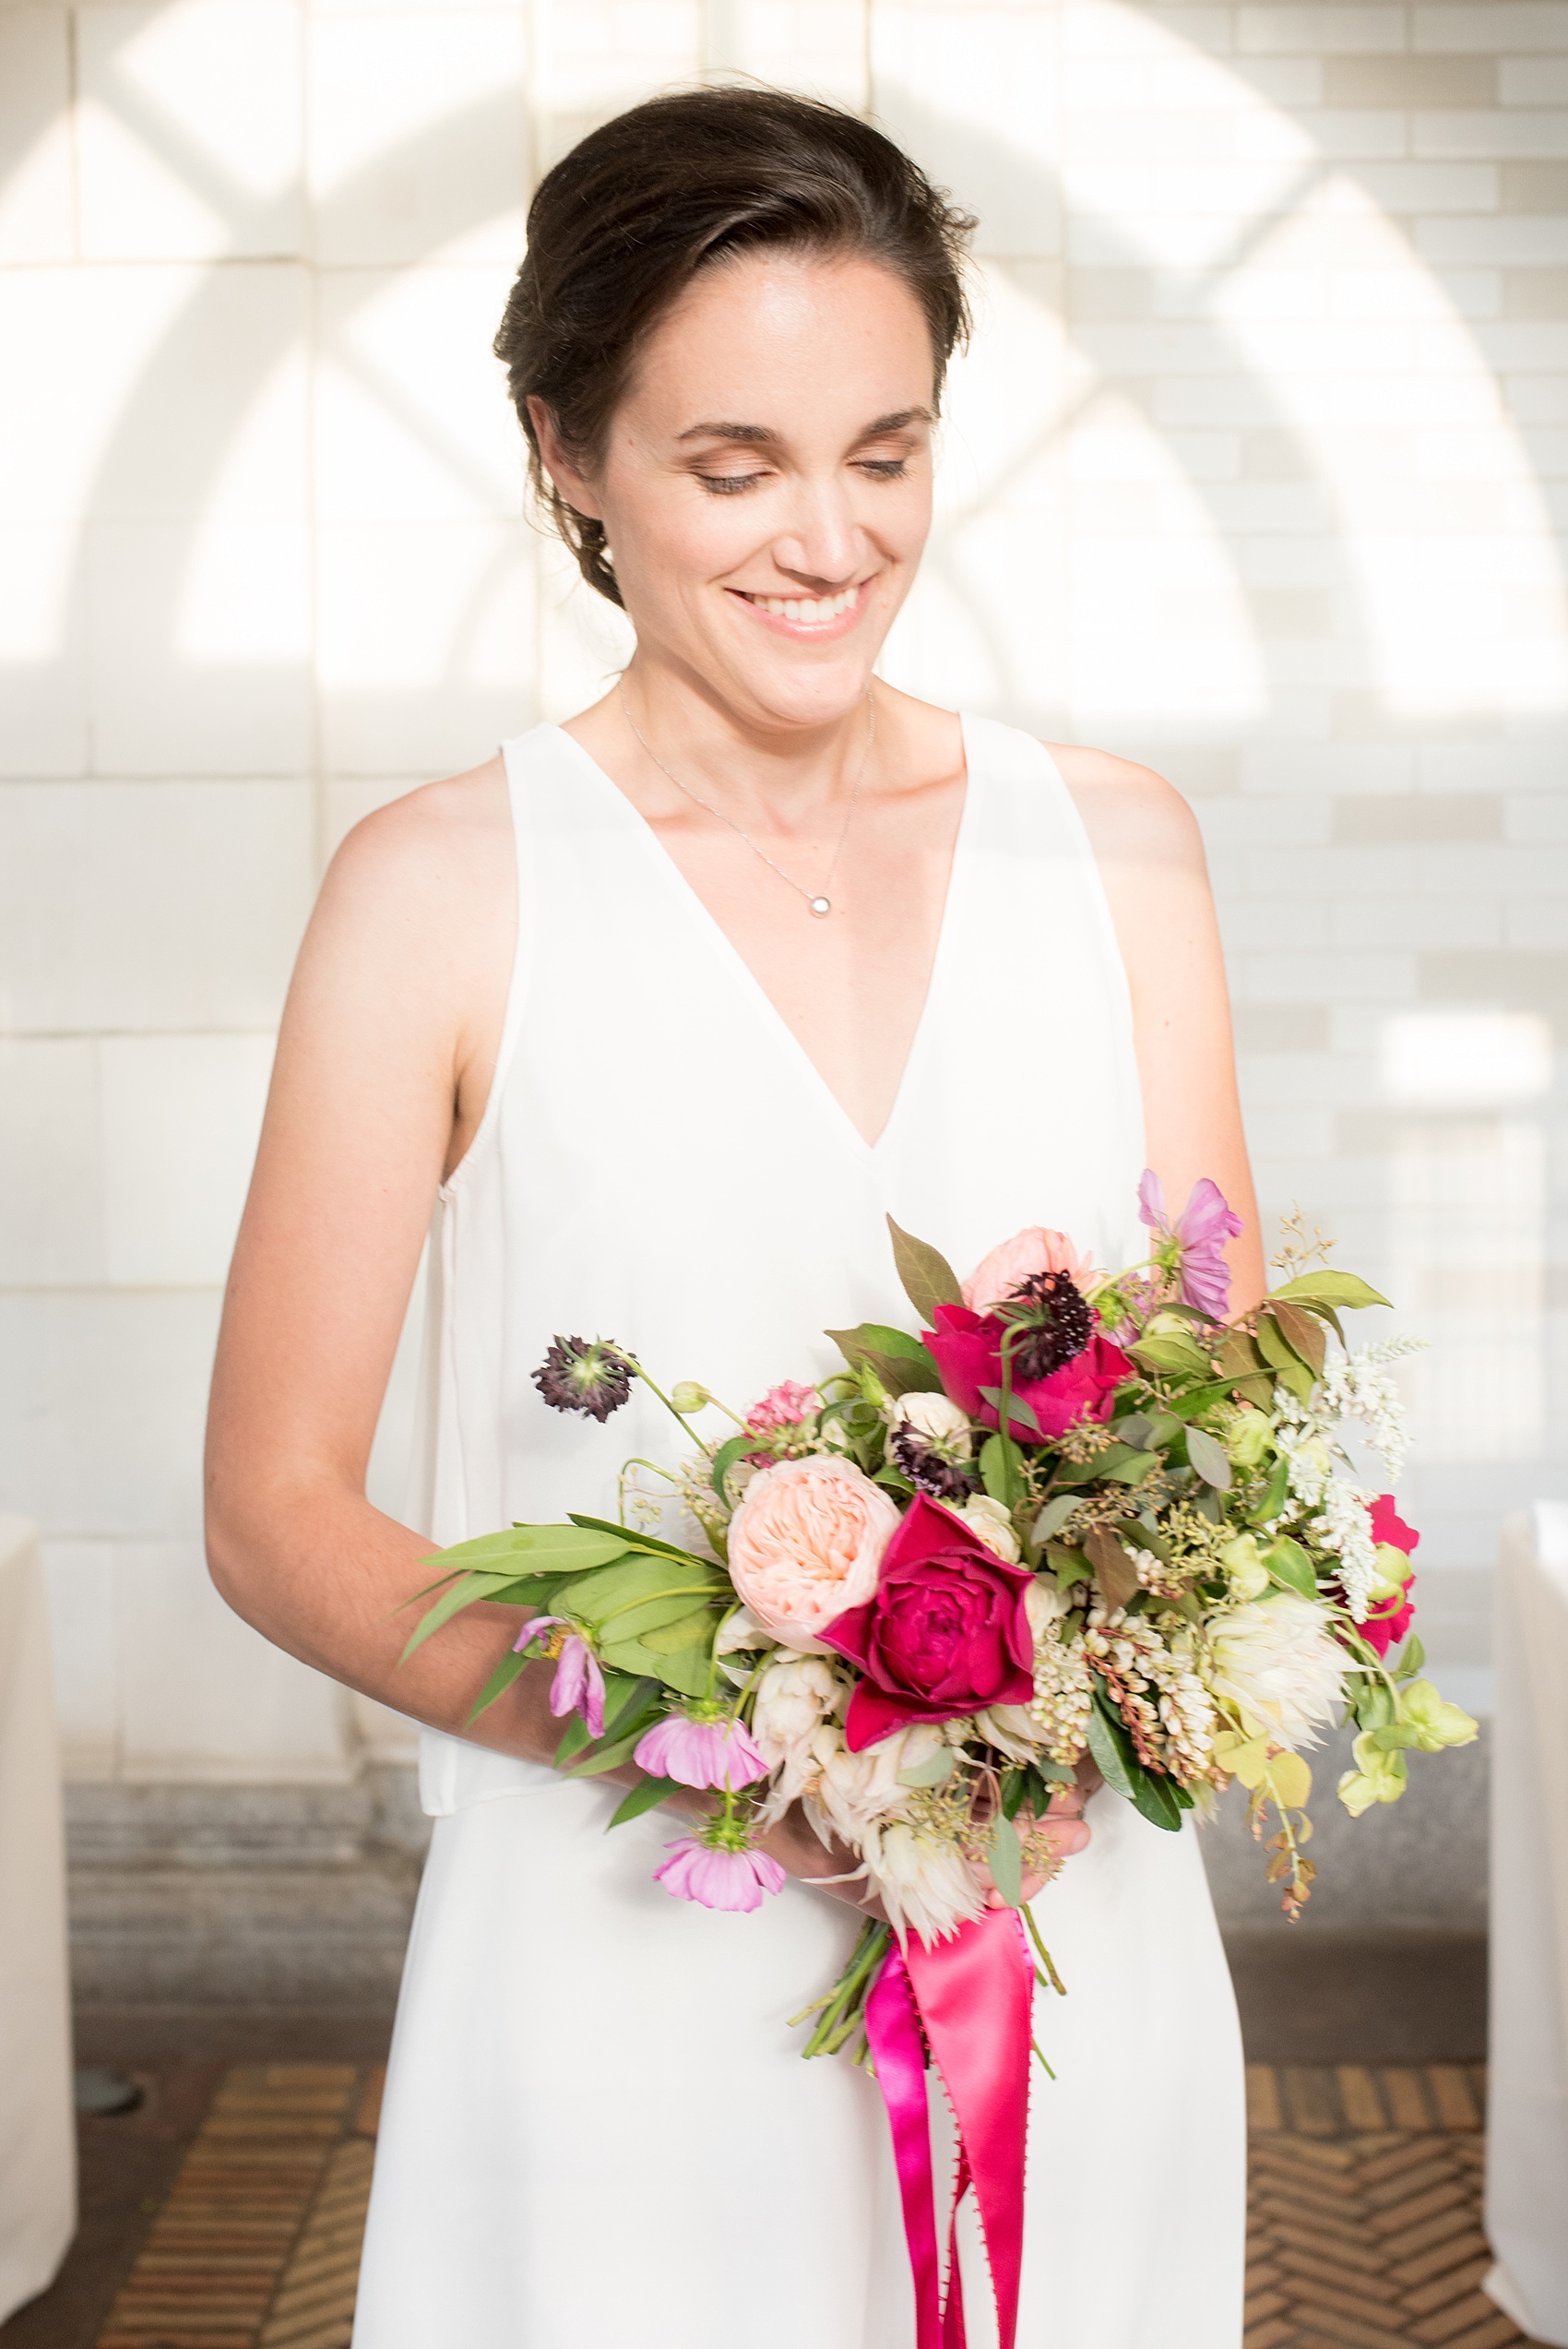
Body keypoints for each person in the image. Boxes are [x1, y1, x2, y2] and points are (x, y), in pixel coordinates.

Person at [206, 86, 1257, 2349]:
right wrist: (729, 1737)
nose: (830, 538)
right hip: (620, 1985)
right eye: (732, 462)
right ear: (564, 449)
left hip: (1064, 1946)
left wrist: (1075, 1702)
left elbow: (1219, 1423)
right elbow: (274, 1508)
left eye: (886, 452)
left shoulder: (1127, 853)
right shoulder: (436, 890)